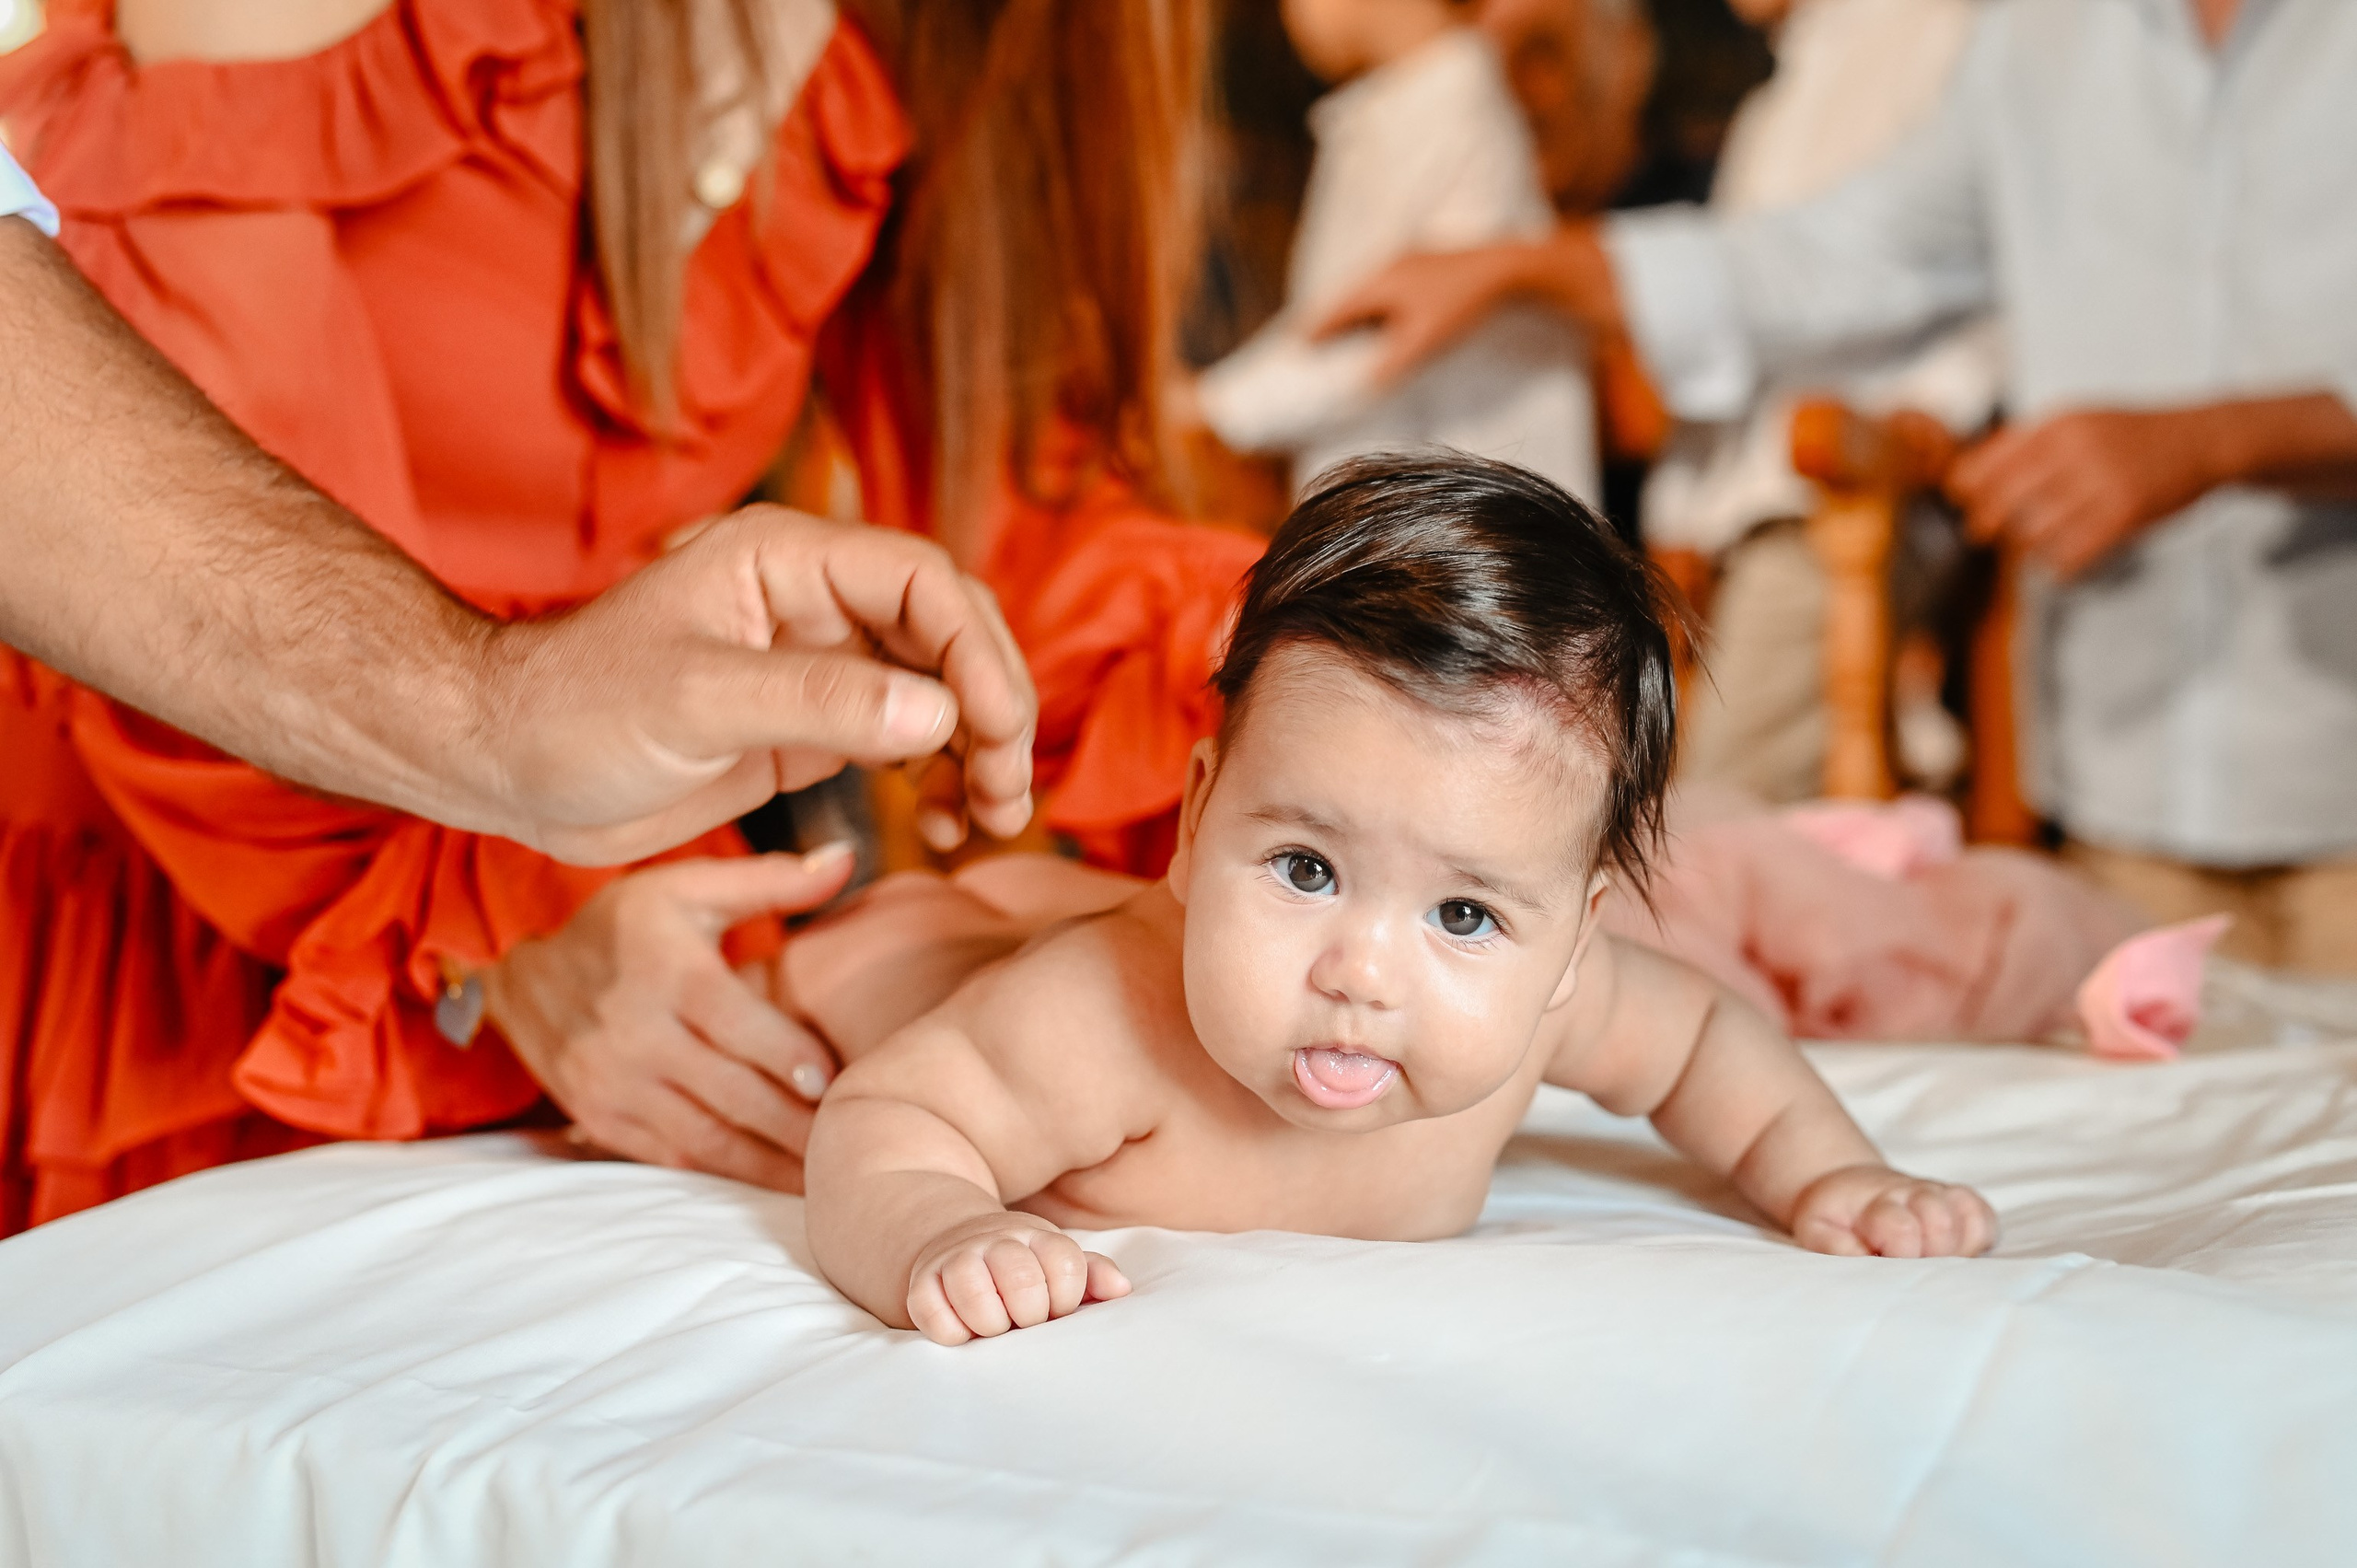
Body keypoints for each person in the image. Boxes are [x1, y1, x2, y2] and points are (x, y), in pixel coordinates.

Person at [0, 0, 1251, 1231]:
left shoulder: (934, 46)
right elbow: (202, 543)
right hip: (204, 900)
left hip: (588, 916)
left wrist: (1335, 685)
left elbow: (1033, 524)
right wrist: (512, 924)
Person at [800, 457, 1993, 1344]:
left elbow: (1703, 1040)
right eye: (1307, 868)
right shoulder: (1099, 1021)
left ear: (1574, 942)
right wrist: (937, 1228)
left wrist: (1833, 1172)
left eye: (1463, 915)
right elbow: (881, 1117)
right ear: (1199, 814)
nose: (1360, 972)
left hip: (1101, 911)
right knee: (902, 946)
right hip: (935, 948)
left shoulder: (1544, 1011)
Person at [1316, 0, 2357, 973]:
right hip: (2121, 771)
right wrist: (1520, 267)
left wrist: (2220, 442)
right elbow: (1831, 259)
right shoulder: (2039, 36)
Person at [0, 153, 1033, 867]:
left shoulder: (924, 54)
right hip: (247, 884)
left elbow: (1038, 469)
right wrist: (485, 740)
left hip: (585, 839)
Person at [1639, 0, 1992, 802]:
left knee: (1716, 819)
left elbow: (1992, 268)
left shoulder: (1931, 34)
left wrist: (1942, 404)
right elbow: (1730, 328)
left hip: (1834, 509)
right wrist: (1681, 507)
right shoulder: (1779, 98)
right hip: (1743, 519)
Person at [1191, 0, 1598, 503]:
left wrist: (1209, 407)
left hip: (1468, 537)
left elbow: (1375, 334)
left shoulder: (1456, 120)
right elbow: (1332, 317)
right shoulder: (1398, 113)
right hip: (1412, 525)